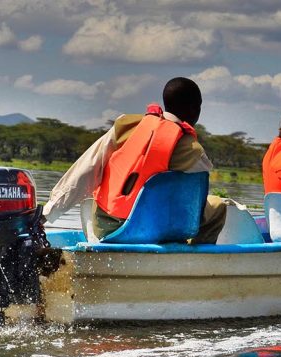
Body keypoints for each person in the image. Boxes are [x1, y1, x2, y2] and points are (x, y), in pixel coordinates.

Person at [43, 77, 226, 243]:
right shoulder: (193, 151)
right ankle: (190, 262)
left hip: (108, 228)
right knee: (217, 207)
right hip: (157, 230)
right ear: (195, 108)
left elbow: (86, 170)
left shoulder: (125, 126)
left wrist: (47, 213)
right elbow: (195, 202)